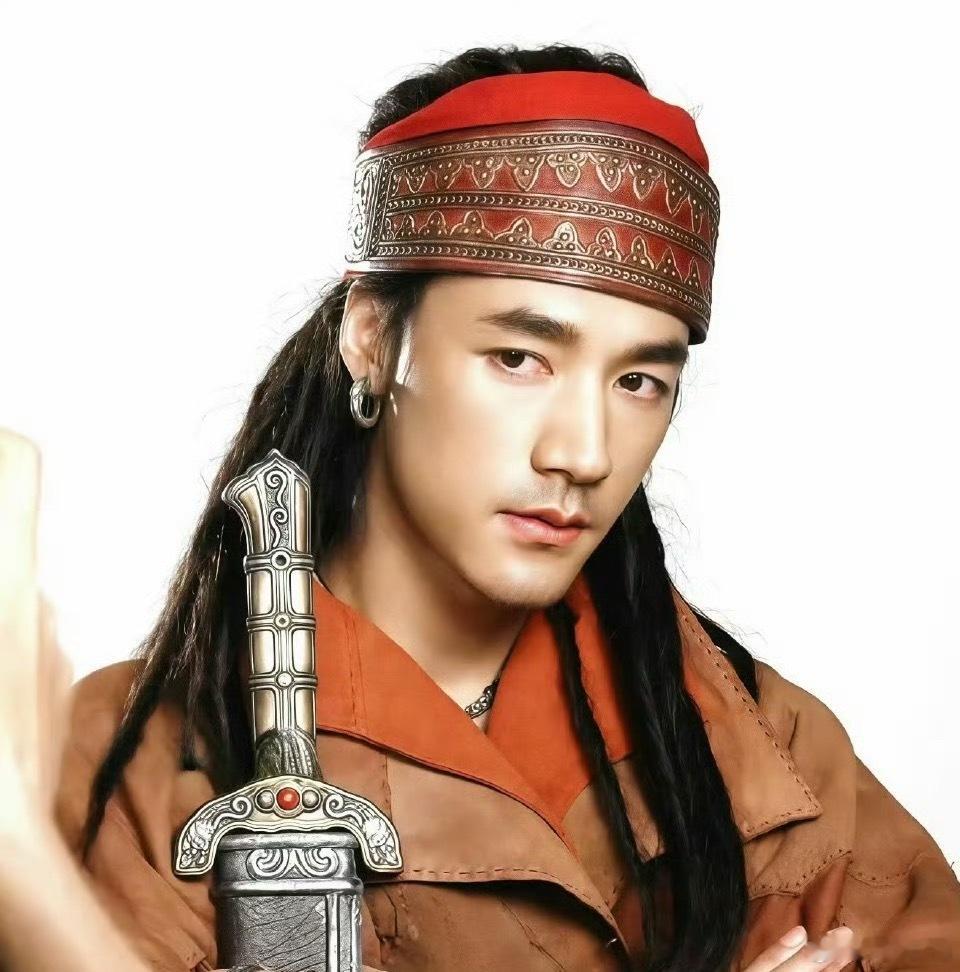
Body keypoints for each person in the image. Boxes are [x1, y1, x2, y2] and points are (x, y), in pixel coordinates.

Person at [1, 43, 958, 972]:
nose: (583, 453)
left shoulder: (764, 748)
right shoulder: (134, 765)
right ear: (371, 339)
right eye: (519, 358)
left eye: (638, 382)